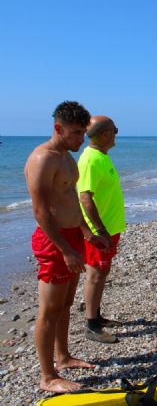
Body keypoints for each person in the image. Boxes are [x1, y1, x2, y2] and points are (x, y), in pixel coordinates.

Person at [24, 101, 108, 393]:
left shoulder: (67, 157)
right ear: (58, 128)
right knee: (49, 309)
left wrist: (86, 233)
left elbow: (70, 201)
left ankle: (63, 357)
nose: (81, 139)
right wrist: (64, 249)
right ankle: (47, 377)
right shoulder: (42, 159)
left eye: (83, 133)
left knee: (66, 304)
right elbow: (41, 212)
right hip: (53, 240)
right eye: (74, 133)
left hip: (73, 236)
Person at [77, 116, 126, 343]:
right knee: (95, 275)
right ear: (106, 133)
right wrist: (99, 230)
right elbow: (85, 197)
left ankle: (96, 315)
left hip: (109, 230)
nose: (116, 134)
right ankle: (91, 324)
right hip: (100, 233)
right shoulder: (90, 160)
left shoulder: (101, 156)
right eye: (115, 130)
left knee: (102, 273)